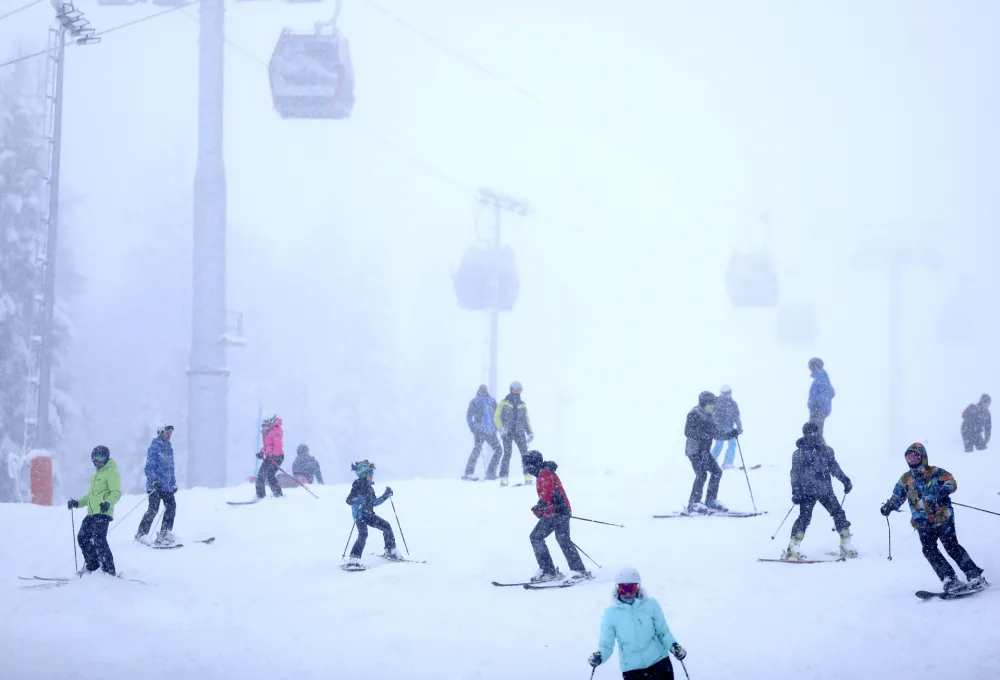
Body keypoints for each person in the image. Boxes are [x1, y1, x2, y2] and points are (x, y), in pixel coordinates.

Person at [880, 442, 987, 594]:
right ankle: (950, 579)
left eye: (915, 456)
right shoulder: (905, 479)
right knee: (929, 550)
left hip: (942, 516)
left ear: (922, 456)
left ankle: (975, 576)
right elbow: (897, 496)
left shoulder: (936, 472)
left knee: (951, 546)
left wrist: (943, 491)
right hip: (922, 522)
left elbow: (951, 482)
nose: (912, 460)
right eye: (909, 458)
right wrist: (889, 506)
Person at [588, 566, 687, 680]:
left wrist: (674, 646)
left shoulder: (651, 605)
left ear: (638, 587)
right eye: (623, 589)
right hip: (632, 670)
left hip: (659, 662)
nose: (628, 593)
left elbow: (663, 632)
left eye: (632, 588)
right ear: (617, 588)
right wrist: (600, 656)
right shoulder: (611, 614)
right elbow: (606, 645)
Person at [784, 422, 856, 559]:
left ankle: (846, 543)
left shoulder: (827, 450)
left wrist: (845, 480)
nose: (811, 435)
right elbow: (795, 474)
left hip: (825, 491)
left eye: (814, 432)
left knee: (838, 513)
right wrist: (796, 491)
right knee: (805, 518)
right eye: (808, 433)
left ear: (818, 433)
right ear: (804, 434)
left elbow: (834, 468)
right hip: (807, 492)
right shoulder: (798, 454)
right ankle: (793, 546)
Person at [523, 450, 590, 582]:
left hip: (557, 513)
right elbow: (550, 495)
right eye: (526, 465)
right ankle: (579, 570)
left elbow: (548, 491)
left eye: (529, 465)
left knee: (536, 537)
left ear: (535, 463)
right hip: (561, 511)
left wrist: (541, 504)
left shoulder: (544, 473)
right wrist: (541, 509)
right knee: (562, 538)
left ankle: (548, 571)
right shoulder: (544, 472)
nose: (527, 468)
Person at [67, 446, 122, 576]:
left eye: (101, 457)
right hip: (92, 513)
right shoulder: (96, 474)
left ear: (107, 458)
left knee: (98, 539)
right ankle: (93, 566)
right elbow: (90, 496)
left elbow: (116, 493)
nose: (98, 461)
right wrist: (77, 503)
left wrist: (108, 502)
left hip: (103, 513)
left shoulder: (111, 473)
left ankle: (109, 570)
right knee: (82, 537)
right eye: (95, 458)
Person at [685, 391, 738, 514]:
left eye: (713, 404)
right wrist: (703, 435)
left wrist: (729, 435)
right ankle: (694, 503)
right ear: (703, 403)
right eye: (710, 404)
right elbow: (688, 432)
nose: (712, 406)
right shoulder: (694, 414)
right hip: (694, 451)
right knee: (701, 474)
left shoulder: (710, 416)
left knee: (716, 472)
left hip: (704, 451)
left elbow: (716, 434)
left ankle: (710, 500)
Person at [344, 460, 399, 565]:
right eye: (370, 474)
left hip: (369, 515)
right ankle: (353, 559)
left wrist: (385, 496)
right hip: (360, 516)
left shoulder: (370, 489)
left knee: (386, 526)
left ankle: (390, 551)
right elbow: (348, 500)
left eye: (372, 473)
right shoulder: (357, 486)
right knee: (363, 535)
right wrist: (358, 499)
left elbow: (374, 503)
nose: (372, 475)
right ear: (364, 475)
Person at [136, 424, 178, 546]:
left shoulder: (169, 448)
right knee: (153, 509)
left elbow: (170, 468)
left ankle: (165, 533)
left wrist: (173, 483)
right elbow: (149, 467)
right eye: (167, 432)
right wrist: (154, 480)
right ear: (160, 433)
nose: (169, 435)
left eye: (170, 432)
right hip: (156, 486)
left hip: (167, 487)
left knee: (171, 508)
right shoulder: (155, 447)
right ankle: (141, 534)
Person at [494, 381, 534, 486]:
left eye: (519, 390)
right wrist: (501, 428)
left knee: (525, 453)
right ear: (511, 390)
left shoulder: (522, 404)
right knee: (507, 454)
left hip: (519, 432)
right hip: (507, 432)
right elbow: (497, 417)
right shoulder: (503, 402)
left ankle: (528, 475)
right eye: (515, 390)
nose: (517, 392)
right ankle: (504, 477)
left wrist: (529, 432)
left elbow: (526, 419)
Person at [464, 384, 502, 480]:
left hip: (491, 431)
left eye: (484, 390)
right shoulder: (474, 402)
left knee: (498, 450)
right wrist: (472, 427)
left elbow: (497, 415)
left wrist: (497, 427)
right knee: (477, 450)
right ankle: (468, 473)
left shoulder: (492, 400)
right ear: (479, 391)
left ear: (486, 391)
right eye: (481, 390)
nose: (483, 392)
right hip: (479, 431)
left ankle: (490, 472)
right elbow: (469, 416)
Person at [711, 385, 742, 469]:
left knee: (732, 445)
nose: (727, 395)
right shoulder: (716, 402)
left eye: (729, 393)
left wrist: (739, 427)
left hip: (730, 429)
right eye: (725, 393)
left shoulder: (732, 403)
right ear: (722, 393)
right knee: (719, 445)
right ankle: (711, 461)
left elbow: (736, 416)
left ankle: (727, 463)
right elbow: (712, 415)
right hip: (719, 429)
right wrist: (714, 426)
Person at [255, 415, 284, 499]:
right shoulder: (266, 431)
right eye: (264, 422)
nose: (265, 424)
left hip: (277, 457)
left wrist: (274, 456)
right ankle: (260, 496)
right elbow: (267, 445)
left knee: (270, 475)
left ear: (272, 421)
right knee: (261, 475)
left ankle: (278, 495)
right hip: (270, 457)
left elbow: (277, 446)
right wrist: (262, 452)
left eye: (267, 422)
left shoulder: (276, 431)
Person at [807, 357, 835, 437]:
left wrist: (816, 403)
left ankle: (817, 447)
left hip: (818, 410)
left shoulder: (821, 377)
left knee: (815, 431)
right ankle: (815, 445)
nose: (809, 369)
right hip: (817, 410)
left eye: (810, 366)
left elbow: (828, 392)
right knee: (814, 430)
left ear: (815, 366)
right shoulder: (820, 377)